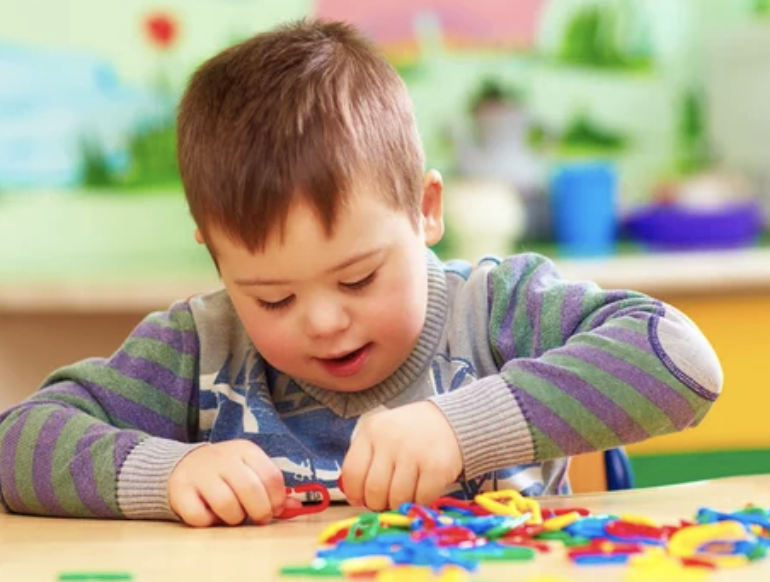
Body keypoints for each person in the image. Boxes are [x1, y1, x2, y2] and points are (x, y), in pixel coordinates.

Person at [0, 19, 723, 527]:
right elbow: (18, 442)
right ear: (216, 256)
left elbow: (682, 360)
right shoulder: (196, 347)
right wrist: (167, 473)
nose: (322, 320)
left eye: (357, 279)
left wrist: (459, 429)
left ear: (426, 210)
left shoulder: (495, 309)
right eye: (272, 296)